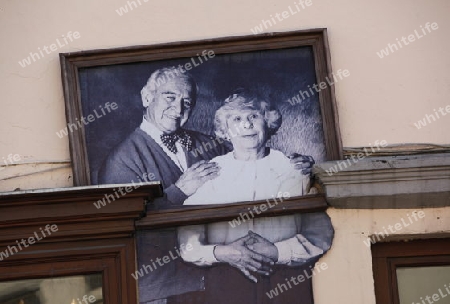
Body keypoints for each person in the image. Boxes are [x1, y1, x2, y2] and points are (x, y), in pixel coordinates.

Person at [176, 93, 334, 303]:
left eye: (253, 117)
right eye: (236, 119)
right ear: (225, 130)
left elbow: (320, 234)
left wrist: (277, 251)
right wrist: (224, 252)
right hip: (226, 283)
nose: (246, 125)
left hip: (286, 281)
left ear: (268, 123)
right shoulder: (209, 174)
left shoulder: (295, 169)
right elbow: (188, 244)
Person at [98, 67, 315, 208]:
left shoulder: (211, 145)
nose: (178, 108)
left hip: (222, 263)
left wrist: (295, 164)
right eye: (170, 97)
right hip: (165, 277)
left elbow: (253, 165)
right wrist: (178, 192)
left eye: (187, 102)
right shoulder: (121, 161)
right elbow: (127, 227)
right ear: (147, 98)